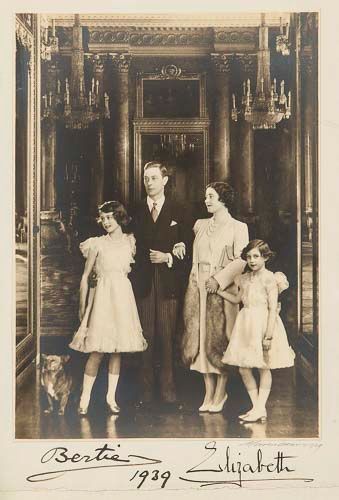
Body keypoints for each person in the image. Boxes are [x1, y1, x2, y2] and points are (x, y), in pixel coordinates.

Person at [69, 201, 147, 415]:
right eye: (102, 218)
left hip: (122, 297)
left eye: (110, 217)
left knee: (117, 350)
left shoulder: (130, 242)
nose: (106, 222)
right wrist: (82, 305)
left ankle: (111, 399)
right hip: (102, 297)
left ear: (119, 217)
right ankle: (84, 400)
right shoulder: (96, 244)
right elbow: (86, 276)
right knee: (97, 350)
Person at [180, 182, 249, 413]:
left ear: (223, 200)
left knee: (219, 338)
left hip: (221, 288)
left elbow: (241, 260)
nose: (206, 201)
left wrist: (218, 280)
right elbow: (195, 257)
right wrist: (195, 280)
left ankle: (221, 391)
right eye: (206, 196)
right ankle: (208, 392)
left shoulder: (238, 227)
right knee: (199, 338)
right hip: (199, 285)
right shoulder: (200, 225)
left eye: (211, 196)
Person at [131, 161, 191, 408]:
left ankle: (168, 390)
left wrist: (167, 257)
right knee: (145, 335)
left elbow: (188, 246)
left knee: (167, 335)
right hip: (143, 282)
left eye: (154, 178)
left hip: (168, 282)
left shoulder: (181, 210)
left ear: (164, 181)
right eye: (146, 178)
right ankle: (144, 392)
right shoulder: (135, 210)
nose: (149, 183)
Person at [219, 239, 295, 422]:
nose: (252, 260)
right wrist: (218, 292)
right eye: (249, 257)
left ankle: (260, 408)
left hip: (263, 325)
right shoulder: (244, 278)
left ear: (265, 257)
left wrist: (268, 336)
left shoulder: (270, 279)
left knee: (263, 366)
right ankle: (257, 407)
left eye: (256, 256)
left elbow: (271, 309)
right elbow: (238, 299)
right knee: (244, 368)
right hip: (245, 325)